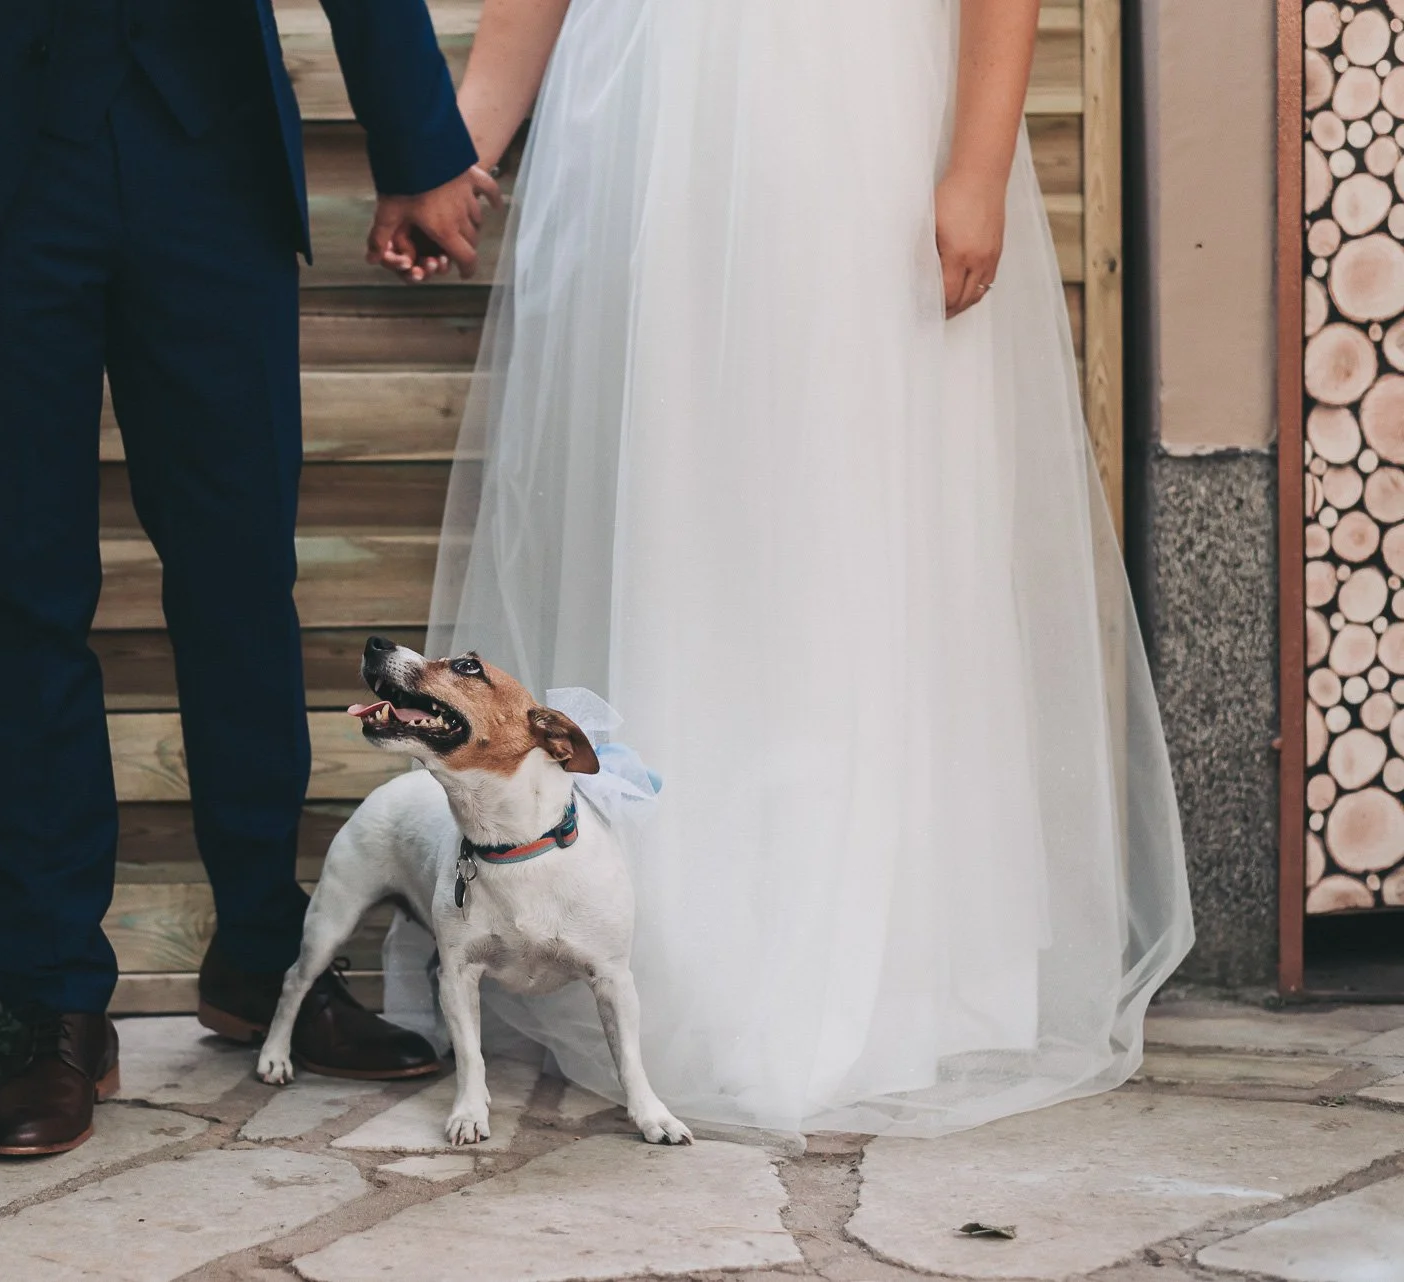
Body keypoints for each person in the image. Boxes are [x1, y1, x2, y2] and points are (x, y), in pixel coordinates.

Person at [397, 0, 1197, 1138]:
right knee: (675, 517)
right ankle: (675, 959)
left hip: (850, 114)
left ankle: (886, 977)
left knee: (846, 512)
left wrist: (975, 160)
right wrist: (461, 146)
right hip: (647, 118)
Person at [0, 0, 496, 1157]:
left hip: (207, 143)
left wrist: (420, 144)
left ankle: (262, 958)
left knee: (242, 575)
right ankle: (54, 1003)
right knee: (22, 584)